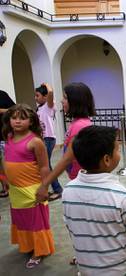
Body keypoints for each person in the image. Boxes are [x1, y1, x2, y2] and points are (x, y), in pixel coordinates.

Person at [63, 125, 126, 275]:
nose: (119, 151)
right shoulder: (123, 196)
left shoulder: (68, 191)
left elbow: (73, 229)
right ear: (107, 159)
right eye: (116, 149)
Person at [2, 104, 55, 268]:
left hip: (32, 190)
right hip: (15, 190)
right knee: (21, 220)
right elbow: (6, 160)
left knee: (36, 222)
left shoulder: (35, 142)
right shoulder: (9, 137)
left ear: (31, 121)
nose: (17, 121)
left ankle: (39, 251)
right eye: (14, 117)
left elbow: (45, 167)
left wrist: (44, 188)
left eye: (22, 118)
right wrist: (4, 178)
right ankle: (28, 245)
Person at [36, 82, 96, 204]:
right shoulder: (77, 123)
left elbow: (66, 160)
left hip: (80, 181)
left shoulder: (79, 126)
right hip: (77, 178)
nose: (61, 101)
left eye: (65, 98)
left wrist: (45, 184)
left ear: (76, 101)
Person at [35, 83, 63, 201]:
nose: (35, 98)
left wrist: (46, 85)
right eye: (35, 96)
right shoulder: (40, 108)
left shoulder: (48, 106)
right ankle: (54, 188)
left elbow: (50, 92)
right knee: (45, 165)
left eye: (37, 95)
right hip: (43, 139)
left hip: (49, 139)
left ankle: (57, 189)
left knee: (46, 165)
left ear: (45, 97)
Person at [0, 90, 15, 198]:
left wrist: (1, 110)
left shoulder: (2, 94)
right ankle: (5, 187)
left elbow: (14, 110)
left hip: (3, 137)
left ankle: (12, 187)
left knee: (7, 163)